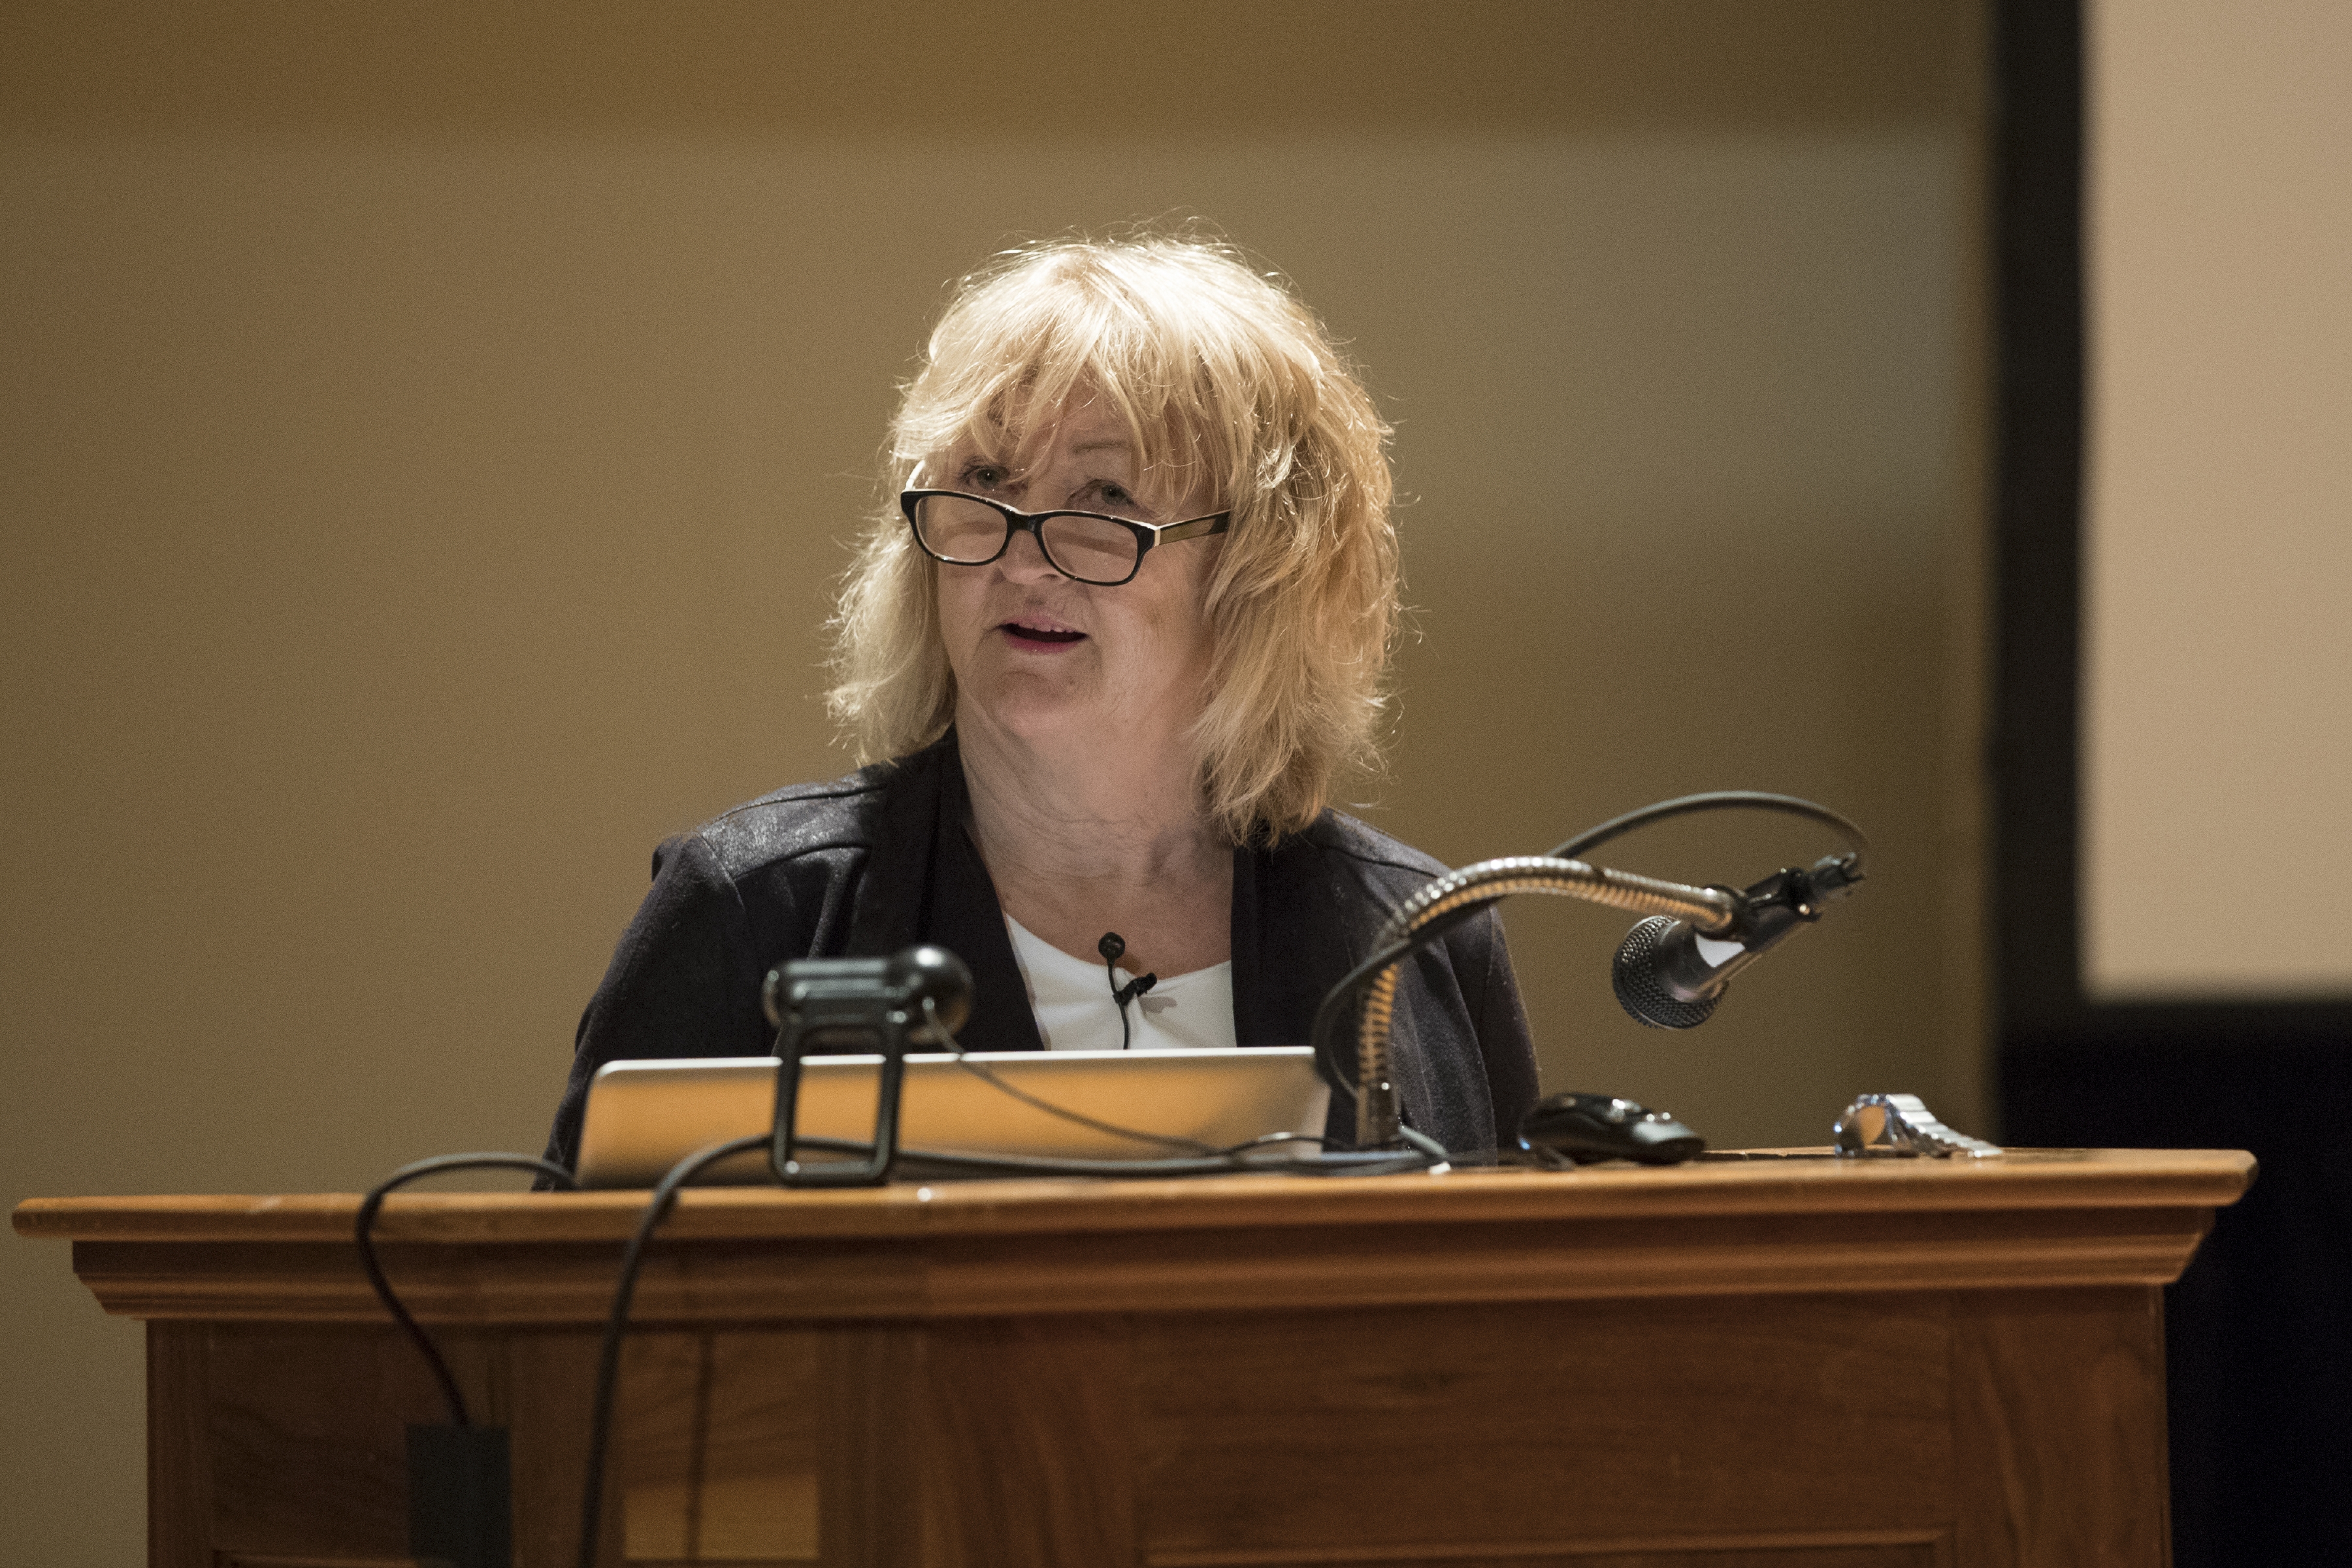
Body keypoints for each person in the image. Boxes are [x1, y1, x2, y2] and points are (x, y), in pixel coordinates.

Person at [542, 236, 1536, 1168]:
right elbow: (563, 1326)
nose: (1023, 557)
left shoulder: (1421, 942)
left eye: (1104, 500)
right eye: (983, 481)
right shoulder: (755, 912)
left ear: (1261, 572)